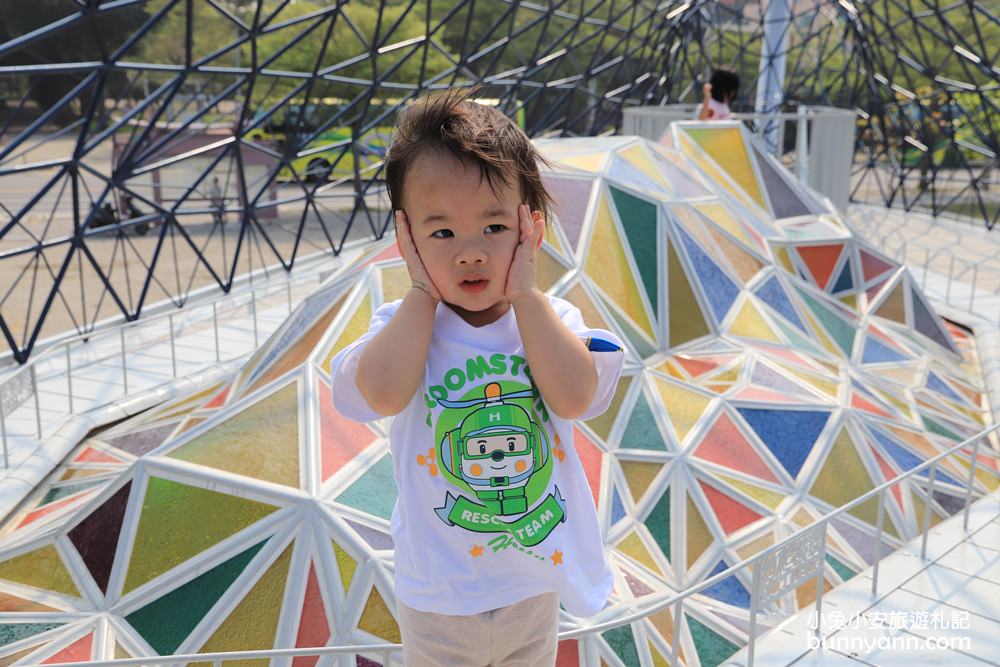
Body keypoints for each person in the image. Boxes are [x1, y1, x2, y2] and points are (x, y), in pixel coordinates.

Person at [329, 91, 625, 666]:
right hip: (439, 594)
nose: (470, 253)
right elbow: (381, 393)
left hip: (532, 583)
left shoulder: (551, 319)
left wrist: (526, 296)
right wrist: (418, 292)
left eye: (493, 226)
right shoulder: (405, 326)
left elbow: (574, 397)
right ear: (407, 237)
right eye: (440, 234)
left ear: (530, 227)